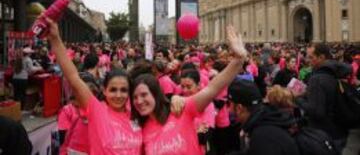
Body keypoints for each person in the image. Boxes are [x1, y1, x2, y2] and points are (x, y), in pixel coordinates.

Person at [129, 26, 247, 155]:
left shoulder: (180, 109)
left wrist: (238, 60)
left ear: (155, 93)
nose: (139, 101)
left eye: (144, 94)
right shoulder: (140, 130)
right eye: (135, 97)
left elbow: (212, 89)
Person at [46, 18, 143, 154]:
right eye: (113, 90)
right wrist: (55, 39)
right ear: (104, 90)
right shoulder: (97, 110)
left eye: (124, 90)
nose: (119, 95)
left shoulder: (137, 113)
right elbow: (73, 77)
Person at [295, 43, 352, 152]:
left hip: (324, 135)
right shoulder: (337, 72)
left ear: (321, 57)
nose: (307, 60)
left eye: (311, 57)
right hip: (340, 131)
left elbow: (317, 112)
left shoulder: (316, 79)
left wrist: (298, 99)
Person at [227, 79, 300, 155]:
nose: (229, 110)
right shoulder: (265, 119)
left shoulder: (261, 136)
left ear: (239, 108)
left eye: (229, 104)